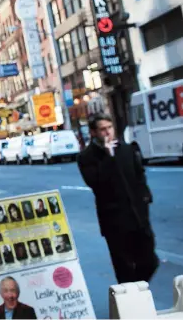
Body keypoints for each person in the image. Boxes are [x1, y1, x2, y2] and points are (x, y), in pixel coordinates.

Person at [77, 113, 159, 284]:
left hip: (138, 216)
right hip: (114, 221)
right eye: (102, 129)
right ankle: (131, 302)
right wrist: (108, 157)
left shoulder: (126, 148)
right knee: (124, 269)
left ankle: (136, 287)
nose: (107, 133)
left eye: (110, 128)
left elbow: (139, 176)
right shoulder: (86, 157)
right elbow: (95, 182)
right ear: (93, 133)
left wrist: (145, 198)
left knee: (150, 261)